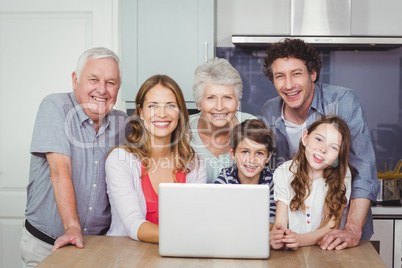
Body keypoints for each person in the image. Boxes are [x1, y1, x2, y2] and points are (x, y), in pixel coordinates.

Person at [260, 38, 379, 250]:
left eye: (296, 73)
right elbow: (274, 175)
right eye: (280, 76)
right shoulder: (269, 111)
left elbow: (364, 167)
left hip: (336, 236)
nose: (288, 85)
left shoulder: (342, 101)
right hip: (291, 237)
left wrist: (352, 228)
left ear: (313, 74)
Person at [21, 47, 129, 266]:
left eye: (111, 82)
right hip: (48, 245)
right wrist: (72, 228)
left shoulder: (124, 124)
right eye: (93, 79)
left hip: (99, 247)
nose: (102, 89)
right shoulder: (56, 106)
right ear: (75, 80)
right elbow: (60, 172)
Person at [105, 74, 207, 243]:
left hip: (177, 255)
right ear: (141, 112)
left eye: (171, 105)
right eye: (153, 106)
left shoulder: (194, 163)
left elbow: (194, 219)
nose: (162, 114)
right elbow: (133, 225)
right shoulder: (119, 160)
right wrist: (190, 236)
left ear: (180, 113)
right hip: (125, 256)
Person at [270, 115, 352, 250]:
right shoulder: (284, 171)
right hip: (294, 253)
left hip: (329, 252)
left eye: (333, 147)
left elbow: (332, 226)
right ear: (305, 138)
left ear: (339, 156)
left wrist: (299, 240)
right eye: (319, 139)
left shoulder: (343, 174)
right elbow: (280, 222)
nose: (323, 149)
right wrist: (277, 236)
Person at [190, 58, 256, 183]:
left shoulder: (251, 126)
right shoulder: (183, 132)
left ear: (237, 103)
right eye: (211, 97)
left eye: (227, 97)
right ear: (198, 104)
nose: (219, 107)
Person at [214, 119, 276, 228]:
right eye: (245, 152)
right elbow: (217, 215)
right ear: (232, 153)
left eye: (259, 153)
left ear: (268, 157)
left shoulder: (273, 180)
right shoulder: (226, 177)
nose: (251, 159)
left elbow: (272, 222)